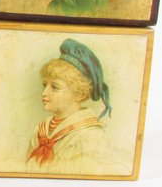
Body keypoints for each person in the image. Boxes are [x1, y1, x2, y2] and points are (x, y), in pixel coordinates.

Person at [26, 38, 112, 174]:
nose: (44, 92)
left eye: (55, 87)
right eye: (44, 85)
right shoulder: (39, 132)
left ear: (79, 94)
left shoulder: (91, 136)